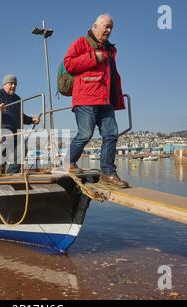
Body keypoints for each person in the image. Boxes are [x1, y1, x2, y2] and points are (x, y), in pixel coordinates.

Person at [63, 14, 128, 188]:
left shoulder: (110, 49)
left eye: (111, 28)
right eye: (106, 26)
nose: (108, 30)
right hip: (85, 98)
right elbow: (68, 64)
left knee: (111, 134)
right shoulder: (81, 42)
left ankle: (108, 173)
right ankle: (68, 162)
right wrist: (94, 58)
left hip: (105, 100)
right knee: (85, 134)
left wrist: (116, 97)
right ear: (95, 26)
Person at [0, 74, 39, 173]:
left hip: (16, 133)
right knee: (0, 158)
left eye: (15, 84)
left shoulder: (18, 98)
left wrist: (31, 120)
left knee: (21, 151)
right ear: (4, 84)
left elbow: (20, 116)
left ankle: (12, 174)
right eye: (11, 83)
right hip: (1, 132)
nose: (13, 86)